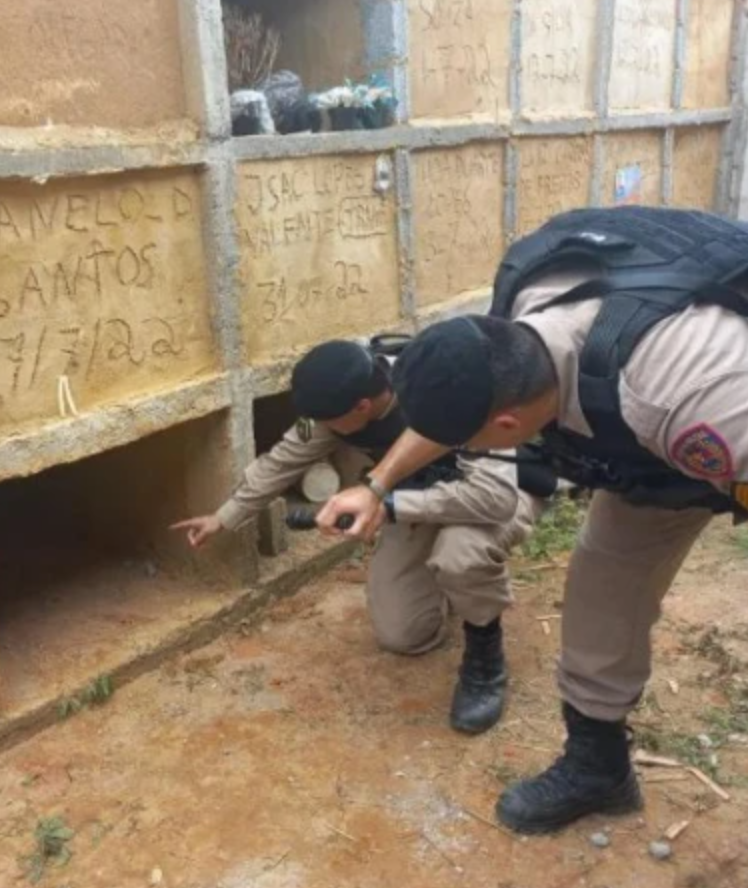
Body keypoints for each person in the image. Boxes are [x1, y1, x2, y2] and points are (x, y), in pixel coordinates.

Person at [315, 206, 748, 834]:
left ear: (508, 428)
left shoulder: (685, 398)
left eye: (467, 439)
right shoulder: (519, 320)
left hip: (714, 403)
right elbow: (463, 409)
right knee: (602, 587)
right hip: (652, 447)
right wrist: (378, 486)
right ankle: (599, 766)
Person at [172, 339, 551, 734]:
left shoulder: (446, 392)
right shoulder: (341, 400)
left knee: (460, 555)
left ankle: (485, 657)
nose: (322, 428)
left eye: (330, 421)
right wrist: (224, 516)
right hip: (419, 498)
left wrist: (387, 507)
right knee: (402, 634)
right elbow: (282, 460)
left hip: (501, 493)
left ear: (362, 407)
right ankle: (450, 588)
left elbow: (494, 499)